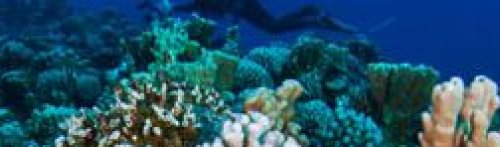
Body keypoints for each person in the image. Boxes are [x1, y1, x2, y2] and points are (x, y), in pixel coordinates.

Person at [141, 0, 358, 34]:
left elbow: (195, 6)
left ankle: (314, 17)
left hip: (242, 5)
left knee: (272, 28)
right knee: (273, 26)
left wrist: (170, 9)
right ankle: (309, 12)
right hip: (241, 5)